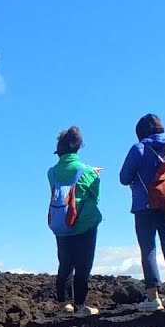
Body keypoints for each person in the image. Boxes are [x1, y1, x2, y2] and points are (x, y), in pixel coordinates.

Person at [119, 114, 165, 311]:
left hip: (143, 206)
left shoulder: (138, 149)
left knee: (148, 249)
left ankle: (153, 297)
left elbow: (124, 177)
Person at [48, 125, 102, 317]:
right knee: (83, 265)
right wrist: (93, 174)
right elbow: (94, 197)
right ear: (78, 147)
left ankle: (63, 305)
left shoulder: (51, 172)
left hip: (61, 224)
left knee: (64, 263)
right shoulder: (86, 171)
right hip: (84, 224)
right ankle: (80, 306)